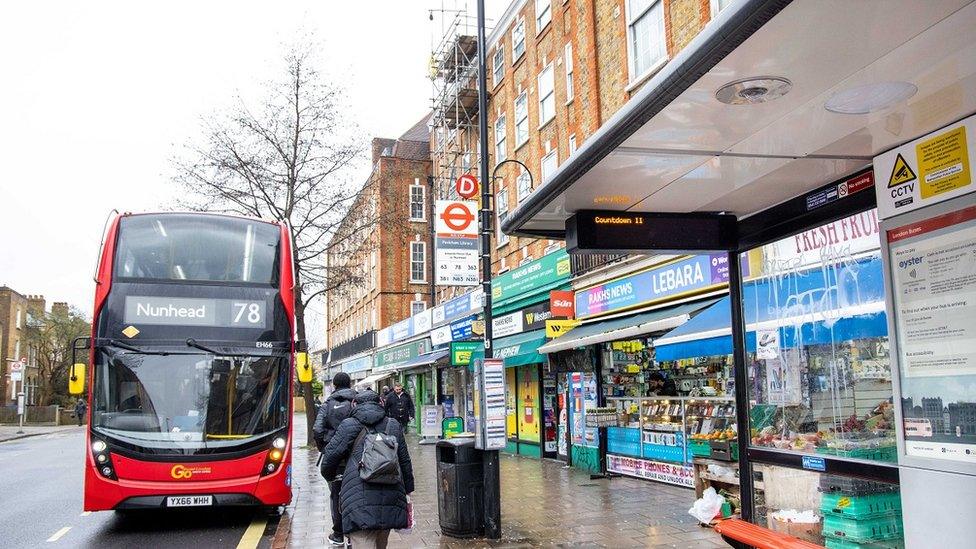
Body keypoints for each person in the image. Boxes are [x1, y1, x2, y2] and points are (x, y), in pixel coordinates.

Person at [321, 390, 414, 549]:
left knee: (363, 539)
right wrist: (408, 490)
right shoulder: (393, 425)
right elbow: (404, 460)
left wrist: (332, 477)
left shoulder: (349, 425)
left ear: (354, 404)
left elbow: (329, 459)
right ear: (381, 403)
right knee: (381, 543)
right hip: (391, 494)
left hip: (358, 497)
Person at [312, 372, 358, 546]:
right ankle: (354, 534)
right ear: (350, 384)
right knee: (356, 493)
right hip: (355, 455)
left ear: (334, 385)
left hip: (335, 458)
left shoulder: (328, 404)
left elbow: (317, 430)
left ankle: (338, 533)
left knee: (336, 493)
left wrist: (325, 448)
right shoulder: (357, 402)